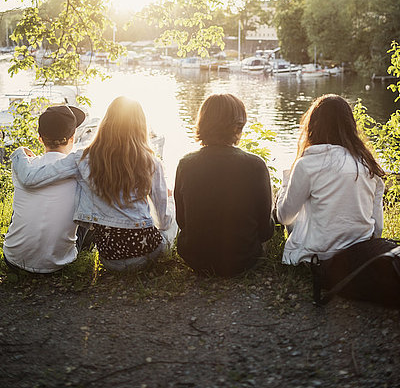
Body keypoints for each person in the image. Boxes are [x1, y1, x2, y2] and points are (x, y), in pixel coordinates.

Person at [11, 97, 174, 271]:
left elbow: (31, 177)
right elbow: (164, 222)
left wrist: (20, 154)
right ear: (142, 127)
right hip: (146, 253)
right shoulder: (152, 163)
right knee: (170, 202)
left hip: (110, 258)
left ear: (106, 124)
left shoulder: (82, 158)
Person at [276, 94, 385, 265]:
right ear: (350, 125)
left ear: (313, 126)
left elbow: (284, 217)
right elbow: (377, 228)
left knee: (297, 208)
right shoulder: (368, 164)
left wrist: (287, 180)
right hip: (360, 255)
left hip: (318, 256)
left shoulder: (307, 164)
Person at [174, 93, 275, 277]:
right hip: (243, 260)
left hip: (196, 259)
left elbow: (182, 220)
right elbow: (265, 230)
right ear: (238, 125)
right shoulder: (255, 165)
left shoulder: (185, 164)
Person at [3, 104, 86, 273]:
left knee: (25, 201)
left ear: (40, 138)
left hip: (14, 259)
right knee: (85, 208)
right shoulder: (80, 169)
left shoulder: (24, 166)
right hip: (59, 264)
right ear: (72, 138)